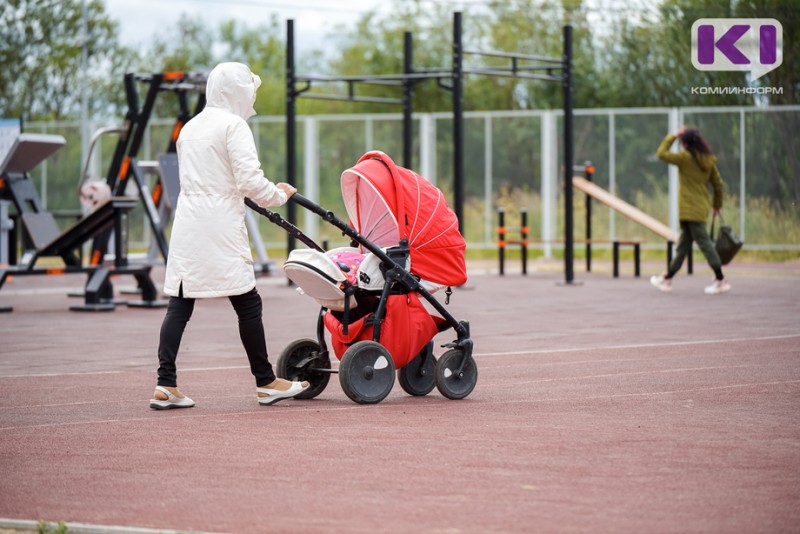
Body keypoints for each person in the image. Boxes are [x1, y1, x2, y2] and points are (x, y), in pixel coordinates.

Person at [150, 62, 309, 409]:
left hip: (189, 221)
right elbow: (249, 182)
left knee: (180, 301)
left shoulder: (190, 128)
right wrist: (279, 194)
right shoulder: (233, 126)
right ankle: (266, 382)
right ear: (238, 92)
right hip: (220, 222)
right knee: (248, 302)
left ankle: (166, 383)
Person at [650, 127, 731, 295]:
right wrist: (716, 205)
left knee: (706, 245)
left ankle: (721, 279)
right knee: (682, 247)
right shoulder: (708, 160)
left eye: (681, 142)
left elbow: (661, 153)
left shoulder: (684, 159)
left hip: (689, 210)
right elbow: (718, 184)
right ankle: (667, 278)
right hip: (700, 208)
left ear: (685, 143)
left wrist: (674, 135)